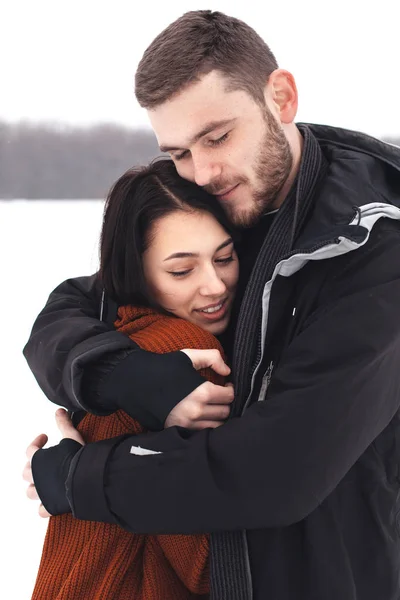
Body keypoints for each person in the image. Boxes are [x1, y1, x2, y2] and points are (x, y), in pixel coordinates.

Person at [23, 9, 400, 600]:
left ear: (280, 96)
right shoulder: (223, 202)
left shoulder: (374, 251)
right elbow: (70, 308)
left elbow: (277, 472)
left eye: (217, 136)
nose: (203, 171)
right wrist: (121, 373)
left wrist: (80, 478)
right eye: (178, 152)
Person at [25, 158, 239, 600]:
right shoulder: (180, 345)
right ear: (135, 272)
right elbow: (207, 567)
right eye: (182, 270)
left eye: (225, 257)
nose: (215, 285)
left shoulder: (122, 330)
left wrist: (76, 472)